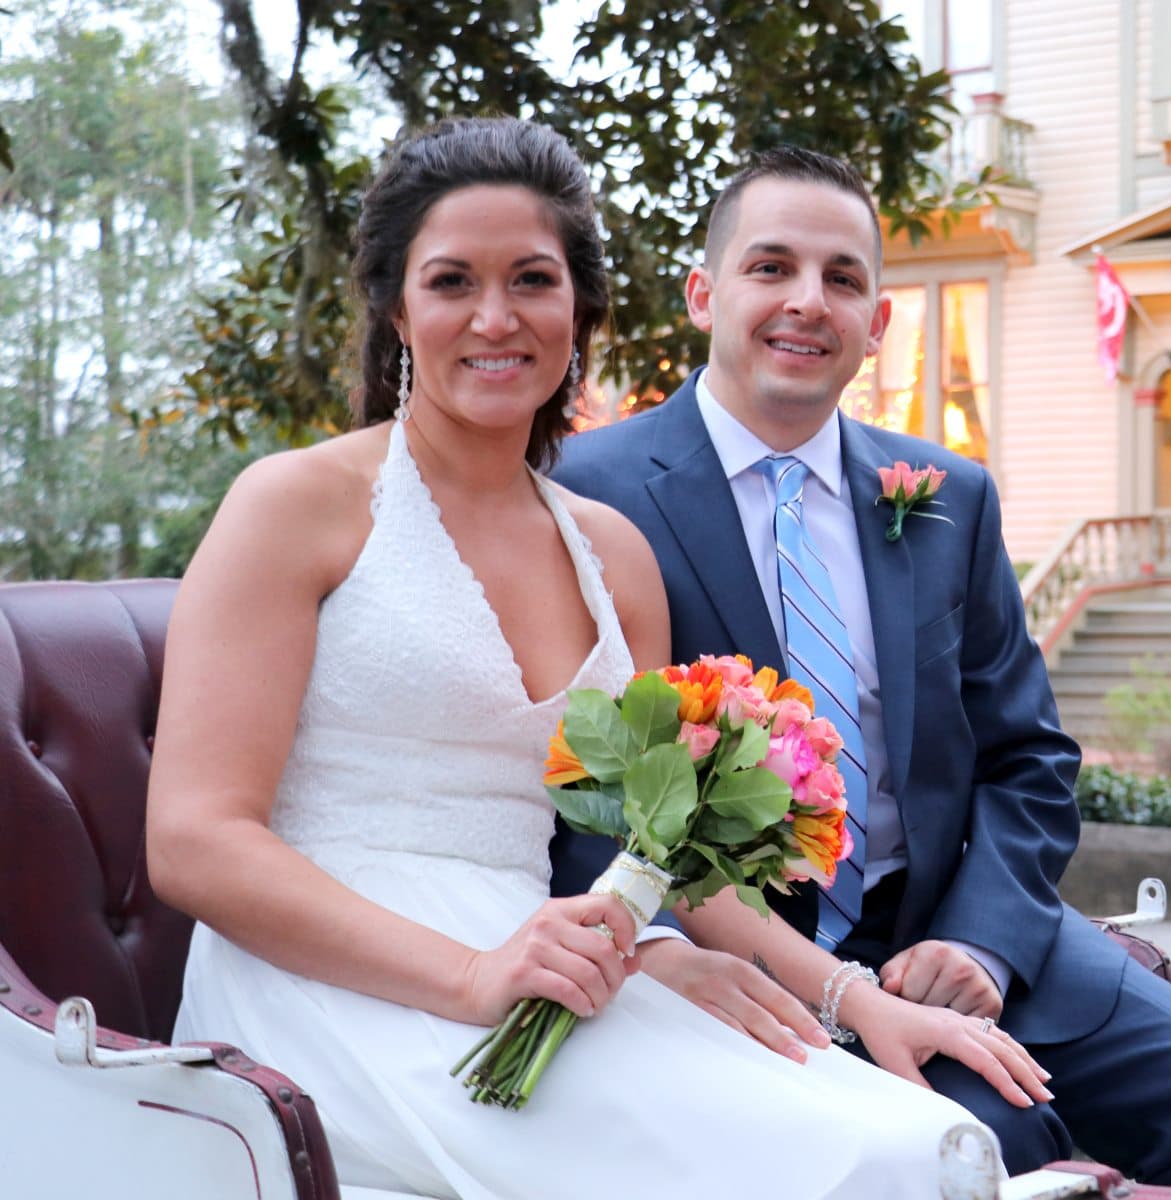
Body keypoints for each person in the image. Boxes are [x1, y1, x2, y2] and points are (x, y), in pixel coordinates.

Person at [145, 117, 1045, 1200]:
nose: (495, 317)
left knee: (917, 1145)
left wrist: (850, 998)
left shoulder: (612, 554)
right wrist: (475, 976)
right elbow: (195, 842)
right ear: (395, 309)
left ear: (580, 310)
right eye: (450, 282)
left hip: (551, 958)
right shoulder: (297, 506)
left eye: (532, 278)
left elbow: (665, 851)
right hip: (331, 984)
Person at [552, 145, 1171, 1192]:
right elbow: (566, 789)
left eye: (844, 279)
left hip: (957, 930)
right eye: (770, 268)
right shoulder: (587, 491)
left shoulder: (946, 497)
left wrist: (983, 946)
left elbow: (1030, 757)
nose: (806, 302)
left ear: (879, 325)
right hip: (736, 953)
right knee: (999, 1141)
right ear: (703, 294)